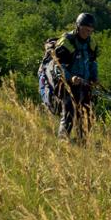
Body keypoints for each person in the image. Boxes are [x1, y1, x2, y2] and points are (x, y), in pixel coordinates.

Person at [43, 12, 99, 141]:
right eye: (85, 30)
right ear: (78, 27)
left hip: (84, 83)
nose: (88, 33)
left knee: (87, 114)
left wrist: (94, 77)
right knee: (69, 112)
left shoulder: (91, 44)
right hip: (66, 83)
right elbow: (58, 65)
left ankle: (82, 142)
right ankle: (63, 141)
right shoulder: (66, 43)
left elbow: (93, 62)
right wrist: (70, 78)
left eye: (90, 30)